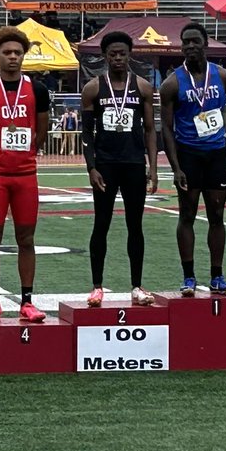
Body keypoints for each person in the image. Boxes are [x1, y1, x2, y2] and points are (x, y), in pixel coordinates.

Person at [0, 26, 51, 324]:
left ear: (24, 55)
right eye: (7, 53)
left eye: (18, 52)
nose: (13, 57)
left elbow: (42, 130)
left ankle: (27, 302)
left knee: (26, 239)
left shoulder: (38, 90)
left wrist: (28, 153)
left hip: (26, 176)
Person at [160, 21, 226, 295]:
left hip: (216, 154)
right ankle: (188, 277)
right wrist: (175, 167)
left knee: (217, 215)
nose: (190, 46)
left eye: (195, 41)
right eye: (186, 42)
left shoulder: (223, 76)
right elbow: (167, 130)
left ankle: (217, 277)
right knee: (187, 215)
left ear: (205, 44)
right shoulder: (172, 83)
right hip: (188, 155)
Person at [80, 31, 158, 307]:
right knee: (101, 223)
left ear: (129, 55)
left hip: (134, 164)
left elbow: (149, 129)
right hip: (105, 165)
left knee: (134, 225)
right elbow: (86, 133)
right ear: (104, 56)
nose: (117, 58)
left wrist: (154, 167)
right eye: (112, 54)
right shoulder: (93, 88)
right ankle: (97, 286)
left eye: (122, 53)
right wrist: (91, 167)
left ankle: (136, 285)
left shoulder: (143, 87)